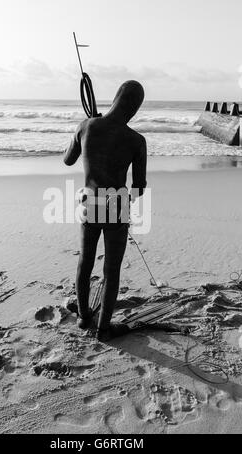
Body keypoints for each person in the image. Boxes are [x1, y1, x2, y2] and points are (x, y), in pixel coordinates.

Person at [64, 80, 147, 341]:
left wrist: (87, 126)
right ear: (134, 109)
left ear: (114, 98)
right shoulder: (136, 140)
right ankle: (103, 329)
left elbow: (67, 160)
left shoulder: (86, 126)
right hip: (116, 208)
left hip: (89, 205)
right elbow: (139, 187)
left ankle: (83, 317)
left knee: (84, 262)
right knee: (112, 270)